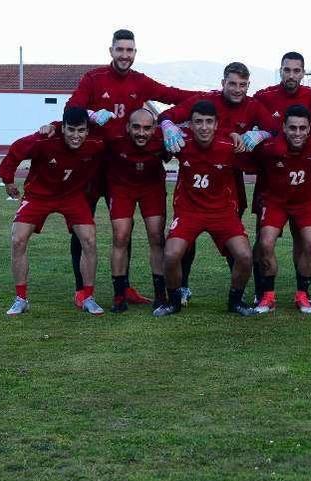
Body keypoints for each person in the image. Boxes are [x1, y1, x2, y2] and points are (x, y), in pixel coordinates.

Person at [64, 28, 196, 308]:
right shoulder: (94, 78)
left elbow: (174, 94)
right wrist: (90, 113)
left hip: (121, 163)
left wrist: (214, 97)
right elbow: (71, 108)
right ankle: (81, 289)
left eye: (130, 50)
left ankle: (126, 289)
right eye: (120, 49)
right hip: (93, 164)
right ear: (111, 50)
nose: (125, 55)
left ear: (135, 53)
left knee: (125, 231)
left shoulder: (141, 82)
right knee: (81, 226)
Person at [158, 62, 280, 305]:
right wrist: (168, 126)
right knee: (183, 244)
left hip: (229, 177)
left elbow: (277, 131)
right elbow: (167, 116)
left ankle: (237, 294)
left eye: (243, 85)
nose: (237, 89)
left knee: (235, 244)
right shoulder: (205, 101)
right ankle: (181, 288)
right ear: (222, 82)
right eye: (232, 83)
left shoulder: (253, 106)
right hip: (194, 183)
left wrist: (260, 134)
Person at [153, 100, 259, 317]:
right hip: (188, 211)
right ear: (189, 125)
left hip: (222, 212)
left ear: (216, 124)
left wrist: (260, 136)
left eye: (209, 122)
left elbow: (259, 159)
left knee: (245, 256)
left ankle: (235, 301)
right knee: (171, 255)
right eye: (198, 122)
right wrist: (164, 131)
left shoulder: (229, 146)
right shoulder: (182, 142)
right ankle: (174, 301)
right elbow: (153, 139)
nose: (203, 127)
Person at [1, 107, 107, 316]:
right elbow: (16, 150)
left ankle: (88, 297)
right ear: (63, 128)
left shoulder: (96, 143)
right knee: (18, 239)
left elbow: (115, 137)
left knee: (89, 240)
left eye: (81, 131)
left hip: (72, 196)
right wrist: (8, 180)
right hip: (38, 195)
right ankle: (21, 299)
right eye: (71, 130)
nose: (76, 136)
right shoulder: (45, 139)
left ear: (87, 130)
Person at [252, 52, 311, 303]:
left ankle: (302, 293)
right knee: (264, 240)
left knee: (304, 240)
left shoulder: (310, 96)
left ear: (303, 72)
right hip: (271, 180)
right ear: (280, 70)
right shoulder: (265, 96)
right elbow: (249, 118)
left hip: (302, 185)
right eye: (287, 70)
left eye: (296, 70)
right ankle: (263, 292)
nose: (291, 75)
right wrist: (255, 135)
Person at [252, 105, 311, 314]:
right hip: (276, 202)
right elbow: (244, 159)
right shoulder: (269, 148)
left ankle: (302, 294)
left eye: (303, 128)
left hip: (306, 202)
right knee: (265, 243)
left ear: (309, 128)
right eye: (293, 128)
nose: (298, 133)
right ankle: (268, 295)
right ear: (283, 127)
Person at [106, 108, 171, 312]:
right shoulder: (115, 137)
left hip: (151, 188)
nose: (141, 133)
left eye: (146, 128)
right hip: (122, 187)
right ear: (127, 127)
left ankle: (160, 295)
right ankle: (119, 295)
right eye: (136, 127)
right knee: (120, 236)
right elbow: (83, 130)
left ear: (154, 129)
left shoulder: (162, 139)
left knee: (156, 236)